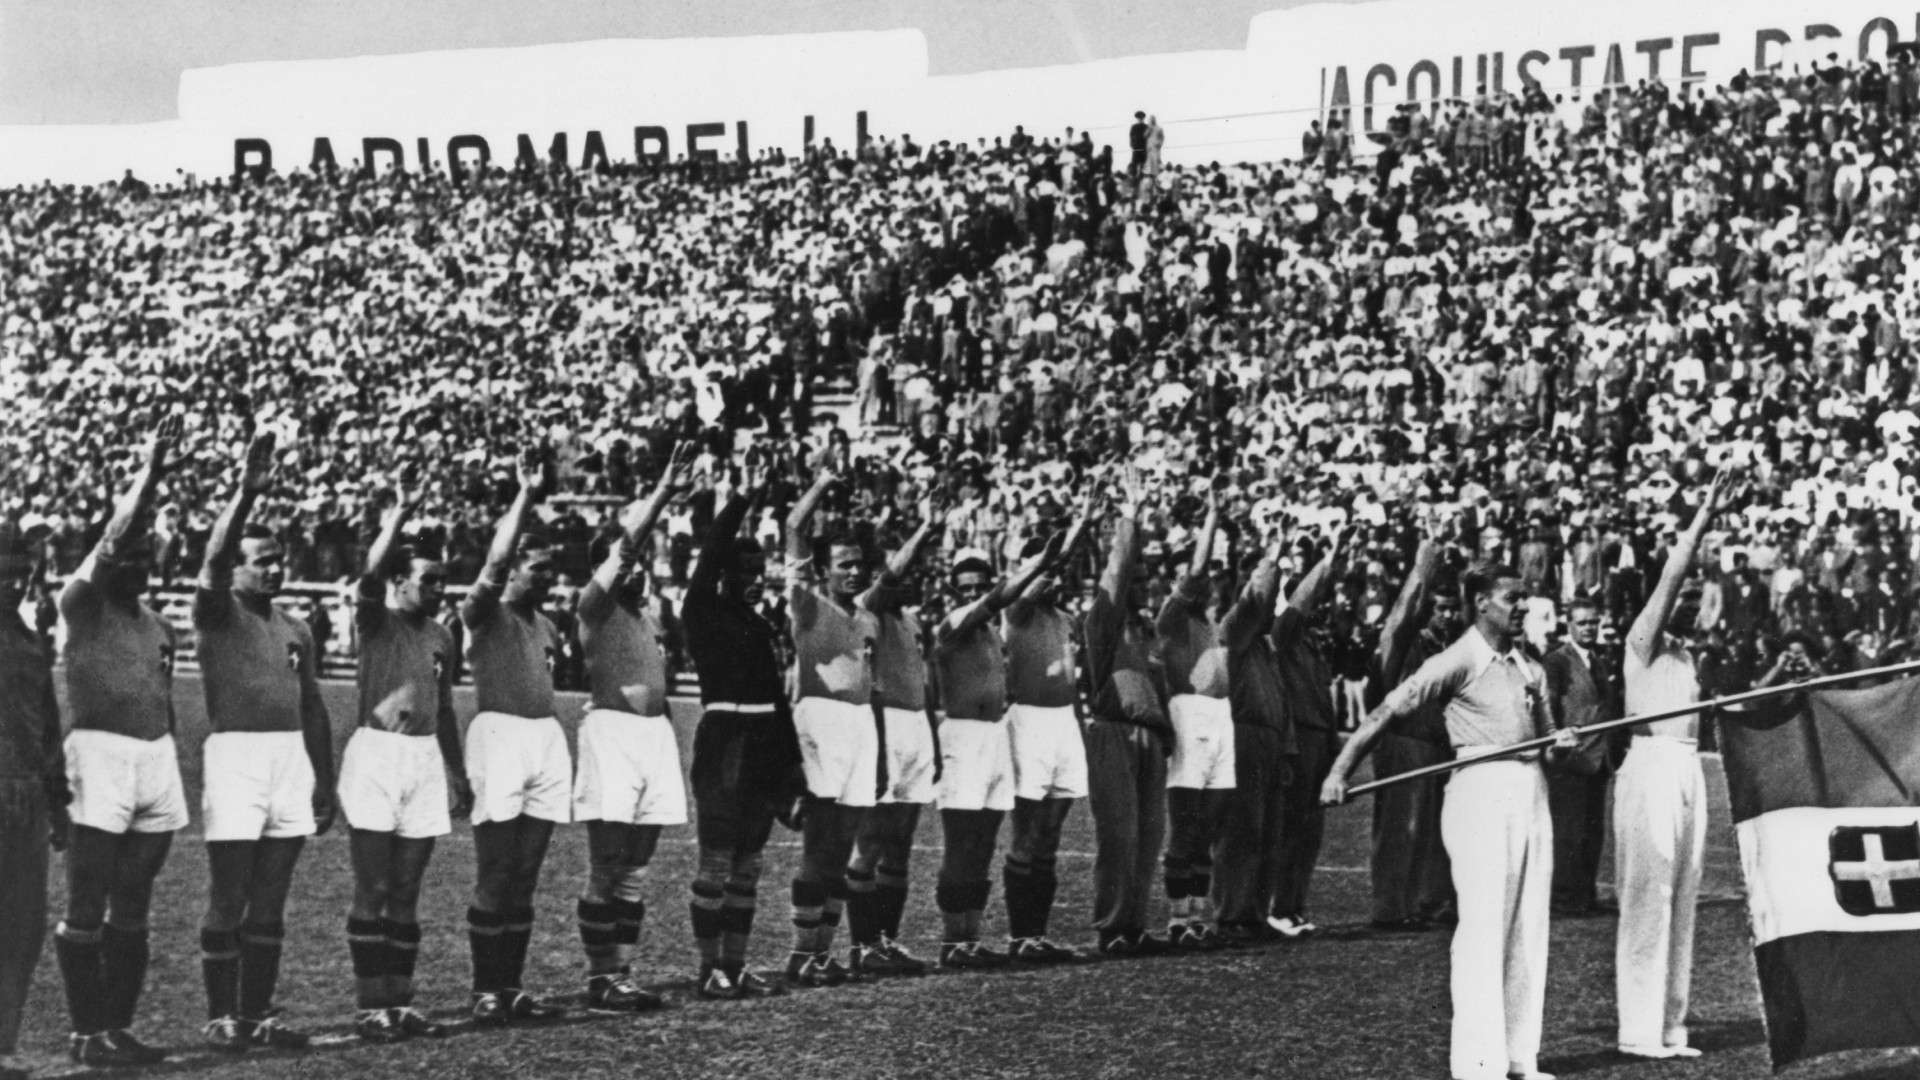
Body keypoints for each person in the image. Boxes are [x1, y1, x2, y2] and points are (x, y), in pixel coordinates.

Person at [1323, 563, 1580, 1080]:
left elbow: (1549, 741)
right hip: (1480, 790)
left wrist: (1561, 744)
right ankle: (1477, 1065)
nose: (1522, 607)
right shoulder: (1459, 657)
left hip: (1531, 790)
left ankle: (1518, 1058)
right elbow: (1385, 712)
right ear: (1481, 602)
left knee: (1529, 926)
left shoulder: (1531, 667)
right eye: (1512, 598)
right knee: (1484, 928)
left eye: (1525, 598)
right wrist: (1339, 770)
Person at [191, 432, 335, 1052]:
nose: (274, 568)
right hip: (237, 758)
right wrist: (246, 492)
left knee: (272, 896)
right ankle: (221, 1014)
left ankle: (257, 1013)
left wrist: (324, 779)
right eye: (262, 559)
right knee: (231, 892)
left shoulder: (296, 626)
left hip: (288, 760)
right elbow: (215, 558)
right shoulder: (217, 611)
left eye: (279, 559)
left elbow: (311, 705)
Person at [53, 420, 188, 1069]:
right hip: (99, 756)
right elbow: (111, 539)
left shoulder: (160, 627)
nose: (135, 564)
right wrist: (152, 468)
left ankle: (118, 1026)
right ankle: (86, 1029)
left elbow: (163, 700)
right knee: (89, 894)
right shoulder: (81, 604)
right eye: (126, 556)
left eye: (144, 557)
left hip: (154, 761)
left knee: (135, 897)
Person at [340, 473, 471, 1043]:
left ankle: (400, 999)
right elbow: (368, 575)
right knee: (373, 887)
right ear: (399, 582)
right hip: (377, 755)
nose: (438, 591)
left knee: (407, 890)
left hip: (421, 759)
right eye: (428, 581)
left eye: (443, 582)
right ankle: (372, 1005)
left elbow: (442, 709)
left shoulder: (443, 635)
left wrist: (457, 770)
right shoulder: (375, 619)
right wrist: (399, 513)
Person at [570, 445, 696, 1011]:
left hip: (653, 738)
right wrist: (664, 492)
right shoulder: (592, 607)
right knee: (608, 863)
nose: (639, 569)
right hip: (614, 736)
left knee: (637, 868)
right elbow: (624, 548)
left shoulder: (648, 615)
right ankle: (600, 977)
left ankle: (621, 973)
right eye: (630, 564)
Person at [1614, 473, 1730, 1060]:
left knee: (1683, 897)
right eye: (1678, 597)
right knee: (1649, 896)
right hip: (1650, 769)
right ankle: (1637, 1029)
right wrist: (1704, 515)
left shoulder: (1688, 656)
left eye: (1692, 599)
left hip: (1687, 771)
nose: (1685, 603)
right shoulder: (1641, 641)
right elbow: (1672, 576)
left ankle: (1670, 1027)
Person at [931, 529, 1078, 968]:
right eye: (966, 588)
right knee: (961, 843)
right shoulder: (951, 625)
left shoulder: (995, 636)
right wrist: (1034, 566)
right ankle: (953, 941)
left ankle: (972, 938)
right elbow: (995, 601)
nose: (973, 594)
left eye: (980, 585)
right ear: (954, 591)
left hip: (994, 735)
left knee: (984, 842)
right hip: (963, 736)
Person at [460, 444, 569, 1026]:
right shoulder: (484, 611)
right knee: (496, 869)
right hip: (499, 737)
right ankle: (484, 988)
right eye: (540, 566)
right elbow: (493, 569)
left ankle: (511, 986)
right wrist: (526, 494)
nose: (548, 575)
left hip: (544, 740)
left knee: (526, 873)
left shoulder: (546, 624)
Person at [681, 460, 791, 1000]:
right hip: (726, 744)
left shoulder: (762, 625)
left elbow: (779, 702)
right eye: (742, 573)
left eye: (759, 573)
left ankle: (736, 963)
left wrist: (792, 768)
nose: (752, 582)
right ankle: (709, 971)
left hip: (766, 746)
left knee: (750, 863)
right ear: (723, 573)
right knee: (719, 861)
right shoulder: (703, 609)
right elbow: (709, 554)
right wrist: (743, 499)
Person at [781, 468, 881, 987]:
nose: (854, 571)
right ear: (822, 570)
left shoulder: (866, 619)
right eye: (844, 564)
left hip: (861, 727)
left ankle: (823, 949)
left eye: (860, 564)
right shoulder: (806, 603)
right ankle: (803, 952)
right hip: (821, 721)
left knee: (844, 846)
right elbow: (794, 528)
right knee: (819, 844)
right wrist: (819, 483)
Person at [846, 495, 943, 976]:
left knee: (900, 842)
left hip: (916, 729)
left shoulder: (912, 621)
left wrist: (935, 746)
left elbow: (923, 688)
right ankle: (862, 944)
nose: (911, 581)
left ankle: (887, 939)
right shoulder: (869, 608)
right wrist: (925, 530)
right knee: (871, 840)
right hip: (882, 728)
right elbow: (890, 579)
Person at [1001, 490, 1098, 962]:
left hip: (1063, 723)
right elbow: (1045, 573)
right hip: (1030, 722)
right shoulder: (1014, 610)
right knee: (1027, 831)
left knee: (1053, 832)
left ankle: (1037, 934)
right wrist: (1078, 527)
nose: (1052, 576)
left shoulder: (1064, 619)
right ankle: (1021, 937)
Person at [1085, 468, 1173, 955]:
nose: (1141, 586)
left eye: (1145, 579)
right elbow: (1115, 576)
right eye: (1135, 578)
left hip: (1149, 736)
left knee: (1147, 836)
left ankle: (1135, 925)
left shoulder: (1145, 632)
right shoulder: (1102, 621)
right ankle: (1113, 928)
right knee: (1118, 835)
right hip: (1113, 732)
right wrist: (1130, 519)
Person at [0, 521, 69, 1080]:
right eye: (3, 572)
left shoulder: (26, 638)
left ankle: (3, 1045)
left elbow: (47, 723)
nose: (13, 582)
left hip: (27, 798)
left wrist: (59, 799)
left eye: (19, 572)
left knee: (21, 924)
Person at [1154, 489, 1233, 950]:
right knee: (1185, 821)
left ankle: (1199, 913)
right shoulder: (1171, 615)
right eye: (1188, 571)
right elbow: (1200, 570)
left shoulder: (1210, 621)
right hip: (1189, 714)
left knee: (1213, 819)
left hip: (1220, 719)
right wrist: (1213, 517)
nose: (1199, 578)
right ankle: (1178, 916)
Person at [1367, 537, 1456, 931]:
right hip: (1403, 740)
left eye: (1451, 609)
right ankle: (1390, 907)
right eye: (1440, 609)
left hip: (1435, 745)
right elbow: (1404, 616)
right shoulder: (1404, 642)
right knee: (1401, 827)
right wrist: (1424, 568)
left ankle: (1418, 902)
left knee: (1429, 830)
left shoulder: (1445, 646)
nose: (1447, 616)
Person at [1214, 529, 1293, 945]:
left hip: (1271, 741)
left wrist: (1288, 749)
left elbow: (1282, 703)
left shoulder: (1266, 646)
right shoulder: (1235, 632)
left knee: (1268, 832)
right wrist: (1272, 560)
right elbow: (1254, 601)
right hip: (1243, 737)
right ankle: (1231, 912)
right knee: (1241, 830)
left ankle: (1255, 911)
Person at [1268, 530, 1346, 937]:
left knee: (1310, 830)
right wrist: (1327, 562)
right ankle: (1279, 907)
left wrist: (1334, 751)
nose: (1321, 611)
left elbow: (1326, 706)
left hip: (1319, 743)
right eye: (1315, 603)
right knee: (1291, 827)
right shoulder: (1284, 637)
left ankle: (1295, 905)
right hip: (1297, 742)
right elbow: (1297, 607)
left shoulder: (1315, 648)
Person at [1542, 597, 1622, 918]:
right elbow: (1548, 704)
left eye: (1593, 622)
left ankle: (1585, 894)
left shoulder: (1600, 660)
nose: (1589, 628)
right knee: (1568, 830)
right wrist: (1558, 740)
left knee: (1592, 830)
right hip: (1571, 758)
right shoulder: (1557, 661)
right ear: (1569, 625)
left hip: (1599, 757)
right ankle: (1563, 897)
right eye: (1582, 623)